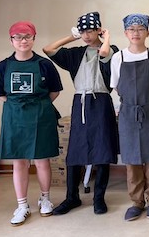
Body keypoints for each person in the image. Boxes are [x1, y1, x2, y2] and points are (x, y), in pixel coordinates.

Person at [43, 12, 119, 215]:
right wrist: (72, 37)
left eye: (90, 31)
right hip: (81, 103)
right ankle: (72, 197)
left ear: (98, 31)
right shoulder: (75, 53)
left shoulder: (112, 51)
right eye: (83, 31)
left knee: (102, 151)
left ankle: (99, 198)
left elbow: (103, 54)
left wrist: (107, 37)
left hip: (101, 101)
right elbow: (48, 49)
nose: (86, 35)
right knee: (75, 152)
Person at [0, 21, 63, 226]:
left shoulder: (44, 64)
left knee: (42, 160)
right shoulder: (2, 66)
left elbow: (55, 91)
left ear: (34, 38)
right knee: (20, 162)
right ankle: (22, 205)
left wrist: (37, 106)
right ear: (11, 40)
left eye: (27, 37)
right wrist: (19, 107)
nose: (23, 41)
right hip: (14, 118)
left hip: (41, 117)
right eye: (18, 37)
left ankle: (45, 199)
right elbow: (1, 94)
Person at [110, 13, 149, 221]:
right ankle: (136, 202)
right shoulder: (118, 58)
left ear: (148, 32)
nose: (136, 33)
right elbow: (117, 86)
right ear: (126, 33)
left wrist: (145, 98)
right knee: (131, 160)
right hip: (127, 113)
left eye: (140, 29)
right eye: (132, 29)